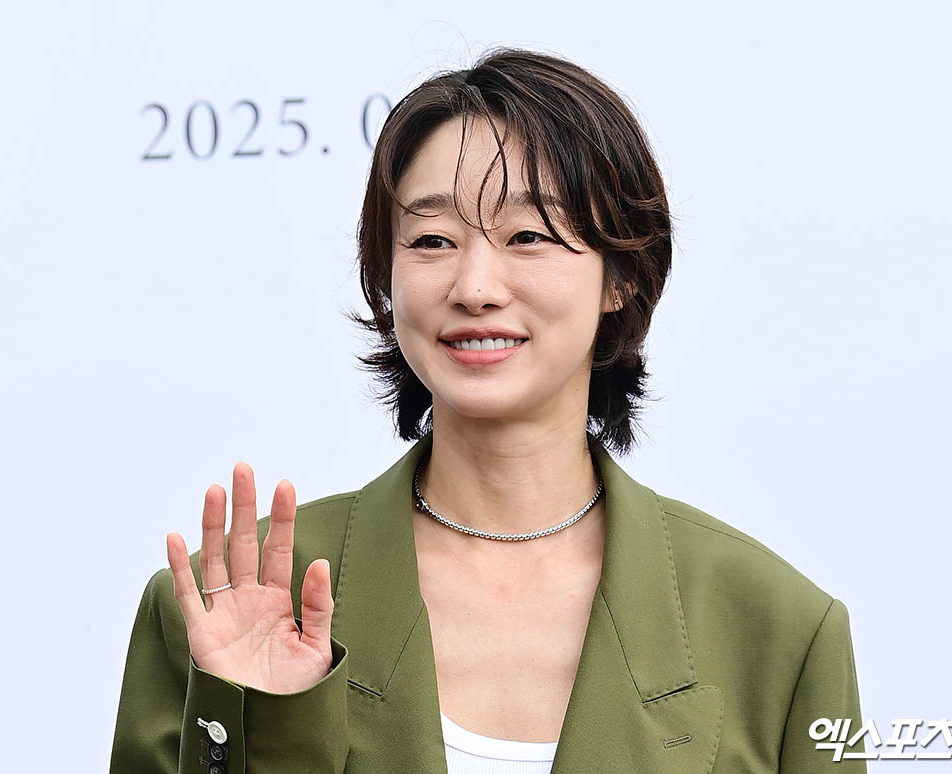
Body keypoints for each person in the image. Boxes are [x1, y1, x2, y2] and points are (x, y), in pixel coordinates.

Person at [110, 47, 867, 774]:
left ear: (621, 277)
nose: (474, 287)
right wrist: (263, 732)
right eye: (432, 239)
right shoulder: (218, 607)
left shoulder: (780, 630)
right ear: (386, 275)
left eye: (528, 236)